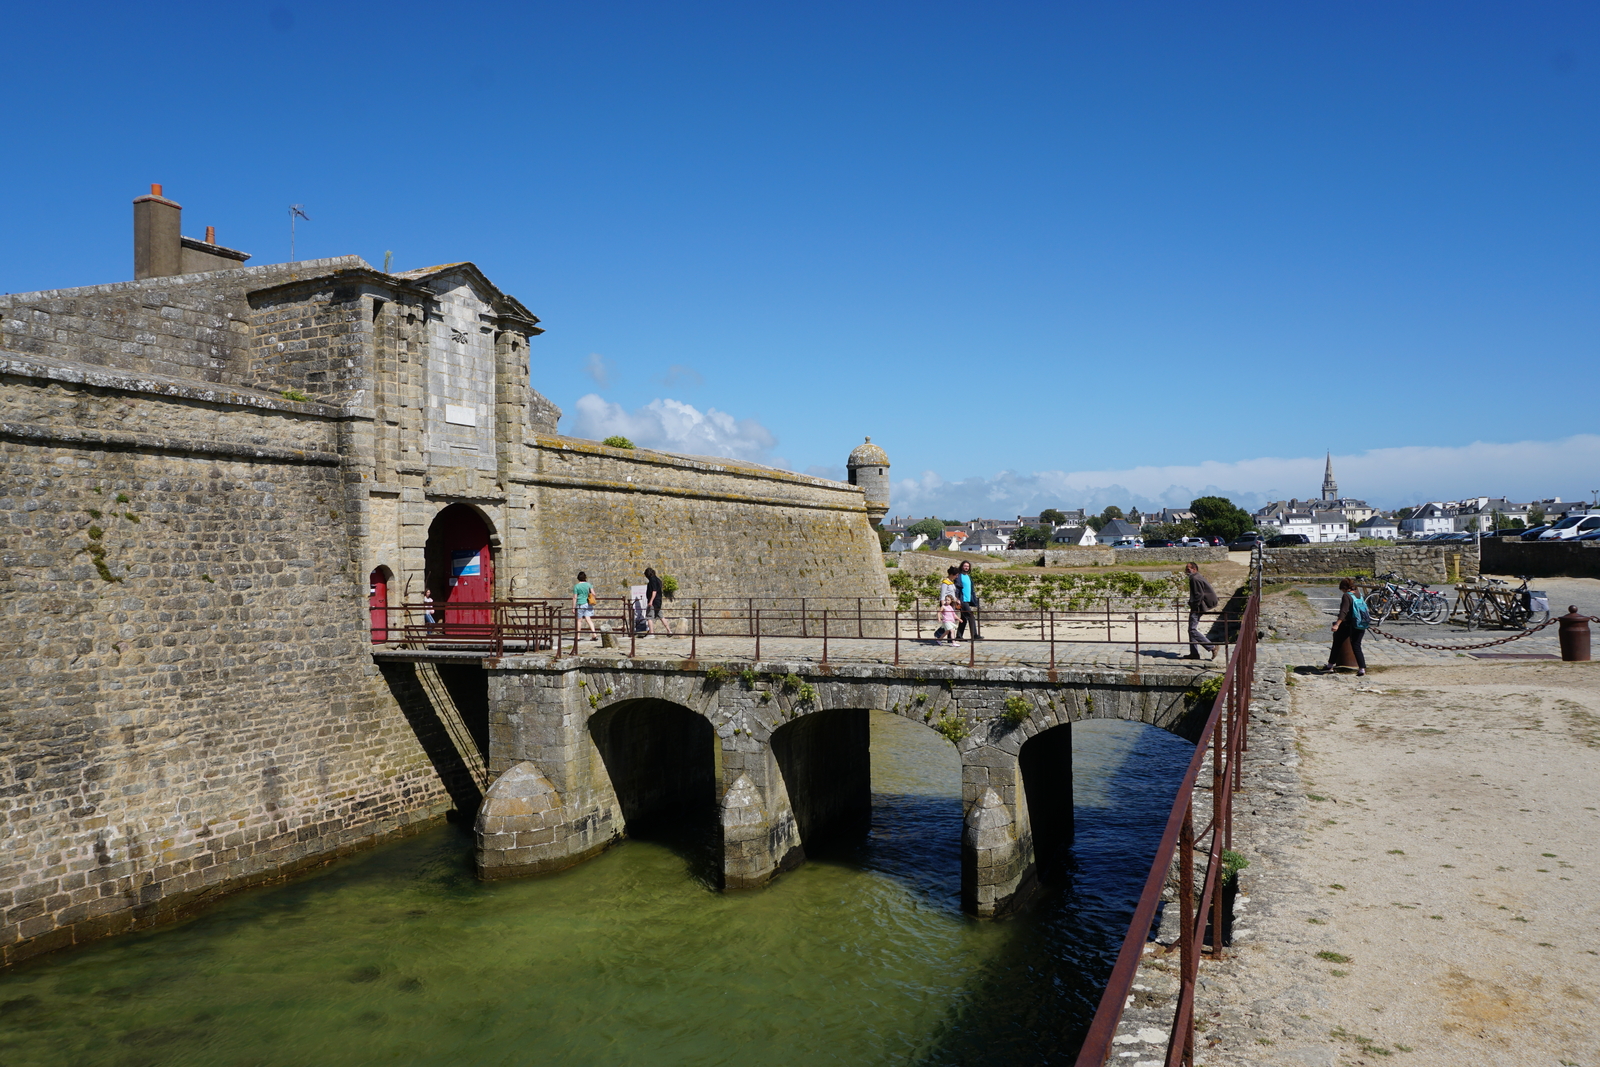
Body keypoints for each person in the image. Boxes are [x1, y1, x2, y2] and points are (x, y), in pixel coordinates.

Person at [1328, 577, 1368, 676]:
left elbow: (1344, 612)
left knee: (1337, 642)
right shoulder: (1359, 594)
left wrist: (1337, 624)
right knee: (1356, 645)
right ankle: (1362, 668)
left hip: (1348, 624)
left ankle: (1330, 665)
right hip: (1360, 623)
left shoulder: (1346, 596)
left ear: (1344, 588)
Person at [1185, 562, 1218, 660]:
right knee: (1191, 629)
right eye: (1186, 569)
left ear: (1194, 569)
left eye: (1188, 569)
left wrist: (1194, 606)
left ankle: (1211, 647)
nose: (1186, 571)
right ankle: (1194, 653)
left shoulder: (1194, 578)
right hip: (1199, 606)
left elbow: (1199, 595)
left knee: (1192, 630)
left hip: (1198, 607)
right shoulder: (1197, 576)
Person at [955, 559, 982, 641]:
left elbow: (971, 589)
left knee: (963, 618)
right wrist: (957, 598)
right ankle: (974, 635)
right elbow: (956, 588)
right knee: (971, 616)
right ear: (962, 567)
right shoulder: (959, 576)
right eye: (965, 566)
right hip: (962, 600)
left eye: (967, 566)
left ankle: (959, 636)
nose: (966, 567)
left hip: (968, 600)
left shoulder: (968, 576)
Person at [644, 566, 672, 636]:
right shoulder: (658, 580)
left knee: (649, 617)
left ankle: (651, 633)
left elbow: (654, 591)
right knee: (661, 616)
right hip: (658, 601)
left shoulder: (652, 580)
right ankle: (669, 631)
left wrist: (650, 601)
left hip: (653, 602)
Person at [935, 566, 960, 645]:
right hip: (946, 604)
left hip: (951, 604)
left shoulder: (951, 582)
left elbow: (952, 594)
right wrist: (944, 606)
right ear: (952, 574)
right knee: (948, 622)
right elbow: (943, 595)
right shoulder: (945, 582)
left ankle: (950, 639)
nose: (957, 576)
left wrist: (956, 600)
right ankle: (941, 635)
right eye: (956, 575)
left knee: (950, 621)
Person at [573, 570, 598, 641]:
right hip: (588, 604)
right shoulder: (589, 584)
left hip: (580, 604)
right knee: (588, 619)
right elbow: (594, 594)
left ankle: (578, 636)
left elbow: (575, 597)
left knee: (579, 620)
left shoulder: (576, 586)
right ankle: (594, 634)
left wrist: (573, 607)